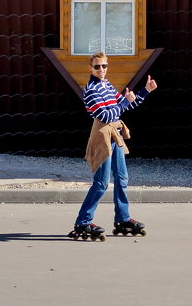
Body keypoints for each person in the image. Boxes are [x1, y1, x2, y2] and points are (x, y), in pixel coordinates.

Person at [67, 52, 158, 240]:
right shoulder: (90, 90)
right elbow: (106, 116)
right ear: (90, 68)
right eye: (97, 66)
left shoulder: (107, 86)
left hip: (115, 134)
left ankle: (123, 219)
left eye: (104, 66)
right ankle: (82, 222)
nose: (101, 70)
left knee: (122, 178)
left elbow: (125, 107)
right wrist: (124, 102)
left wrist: (145, 91)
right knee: (101, 183)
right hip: (102, 135)